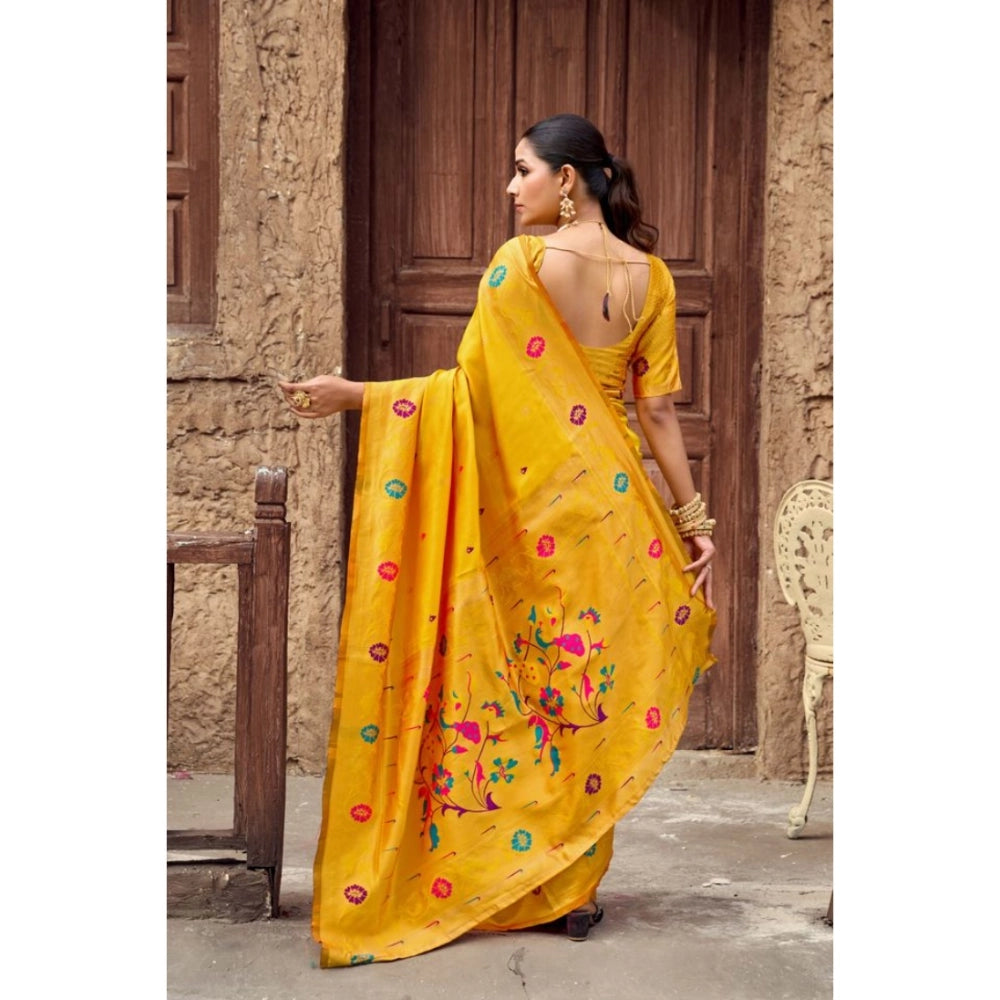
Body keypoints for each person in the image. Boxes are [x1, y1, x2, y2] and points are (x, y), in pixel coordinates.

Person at [280, 113, 717, 968]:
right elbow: (659, 412)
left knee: (516, 686)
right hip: (614, 515)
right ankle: (570, 890)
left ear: (567, 180)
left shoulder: (520, 266)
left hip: (530, 513)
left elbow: (469, 396)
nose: (512, 188)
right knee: (584, 695)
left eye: (523, 170)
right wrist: (695, 520)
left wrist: (357, 396)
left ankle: (516, 878)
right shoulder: (653, 276)